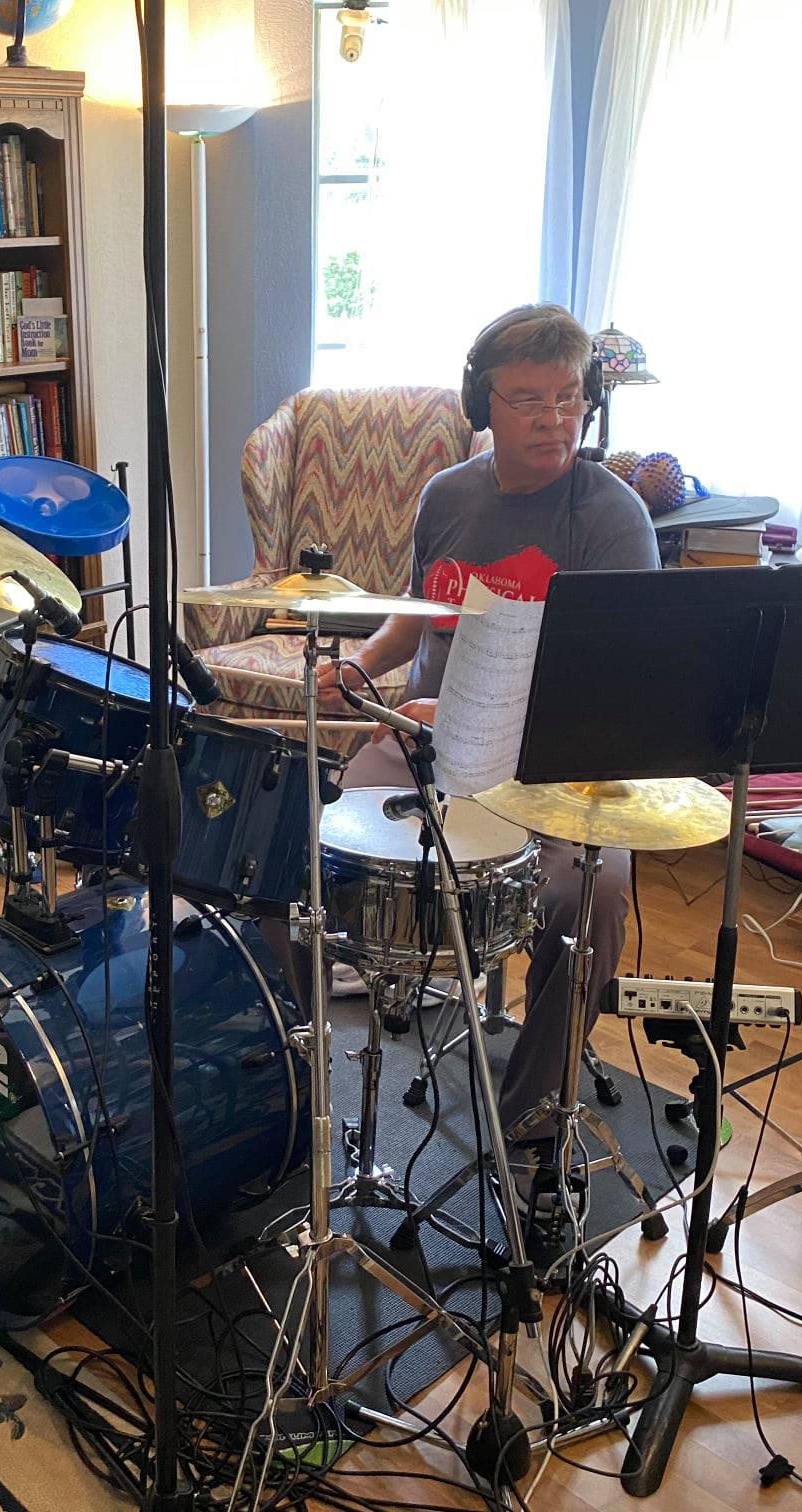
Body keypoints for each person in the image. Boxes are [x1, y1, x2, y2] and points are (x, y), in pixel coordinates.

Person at [320, 302, 659, 1144]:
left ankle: (534, 1118)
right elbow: (418, 615)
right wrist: (364, 667)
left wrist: (478, 714)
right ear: (483, 406)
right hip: (427, 747)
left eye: (569, 398)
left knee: (594, 894)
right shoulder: (447, 496)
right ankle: (306, 1073)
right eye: (528, 400)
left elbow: (618, 681)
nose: (555, 420)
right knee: (312, 854)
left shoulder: (615, 521)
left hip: (554, 762)